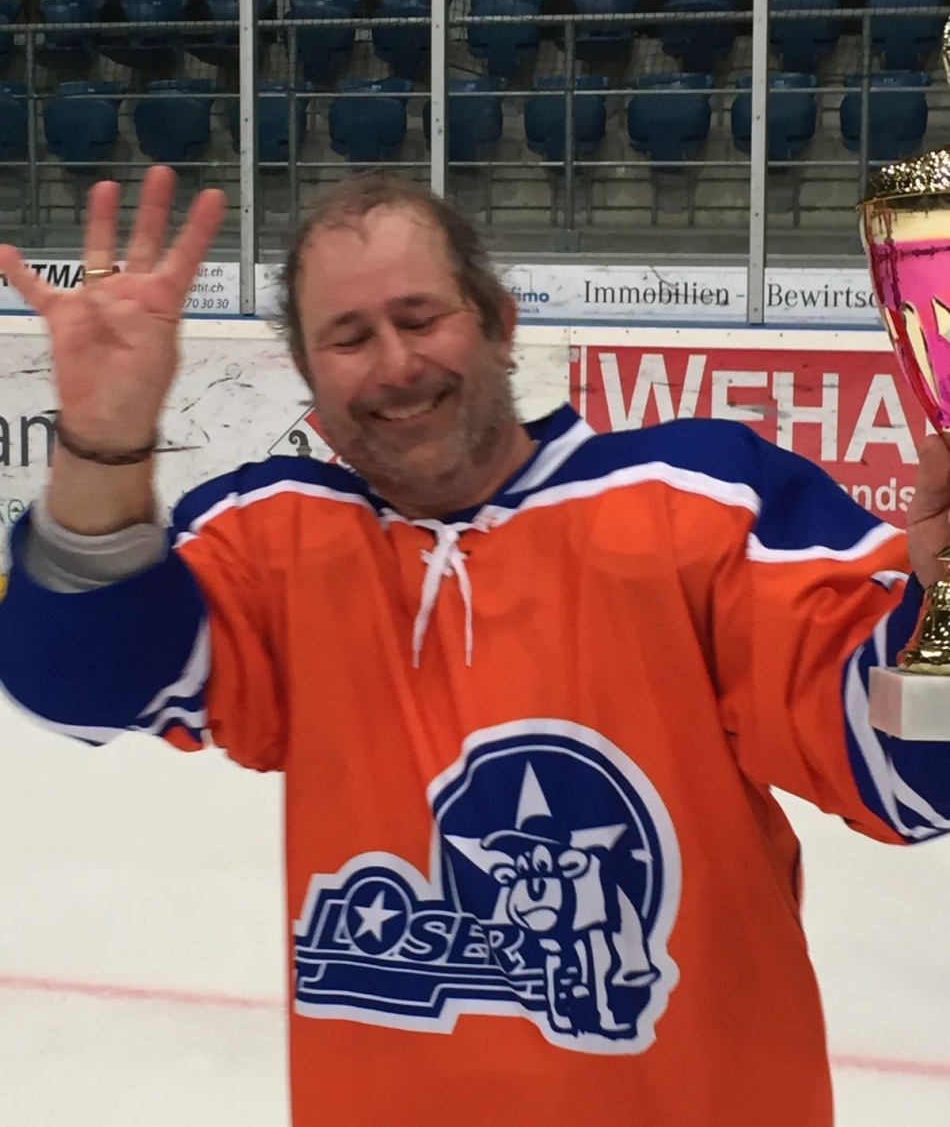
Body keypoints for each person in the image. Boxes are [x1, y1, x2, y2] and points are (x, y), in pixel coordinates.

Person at [0, 164, 948, 1127]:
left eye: (420, 318)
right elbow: (79, 681)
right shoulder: (275, 540)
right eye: (349, 338)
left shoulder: (702, 505)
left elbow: (911, 778)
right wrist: (103, 441)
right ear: (311, 377)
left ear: (499, 322)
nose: (395, 364)